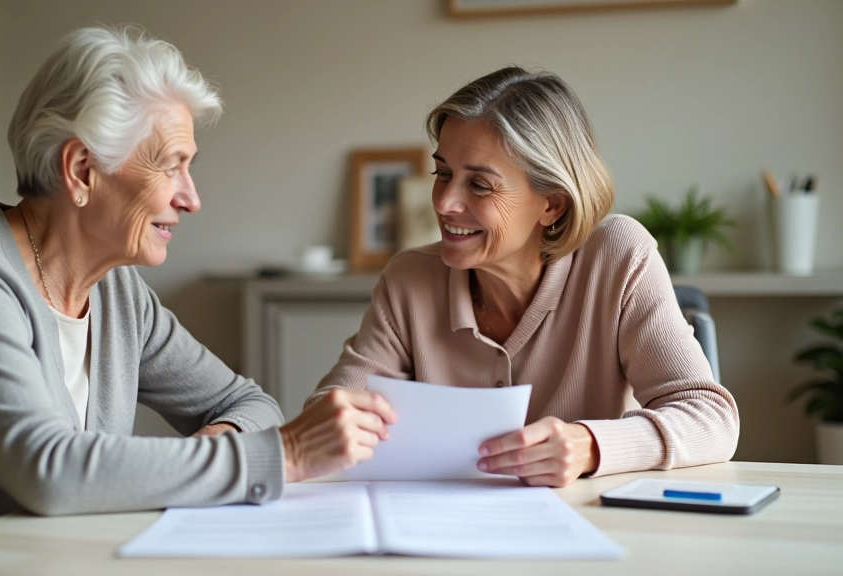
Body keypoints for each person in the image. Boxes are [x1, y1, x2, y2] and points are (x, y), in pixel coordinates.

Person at [0, 26, 395, 564]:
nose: (191, 198)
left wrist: (222, 449)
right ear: (81, 169)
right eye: (172, 167)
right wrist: (283, 456)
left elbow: (247, 404)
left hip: (43, 562)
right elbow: (51, 473)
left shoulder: (118, 292)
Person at [306, 66, 739, 488]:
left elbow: (710, 418)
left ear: (552, 204)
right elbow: (327, 416)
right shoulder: (410, 279)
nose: (444, 203)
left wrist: (589, 444)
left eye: (479, 185)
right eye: (443, 174)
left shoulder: (618, 255)